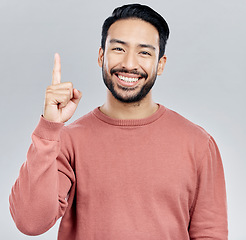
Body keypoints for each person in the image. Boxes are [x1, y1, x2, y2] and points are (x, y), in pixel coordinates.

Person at [9, 3, 228, 240]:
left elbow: (210, 233)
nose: (130, 64)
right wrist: (49, 128)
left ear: (161, 64)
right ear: (101, 56)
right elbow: (30, 222)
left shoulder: (198, 143)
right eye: (119, 49)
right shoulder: (68, 140)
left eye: (144, 52)